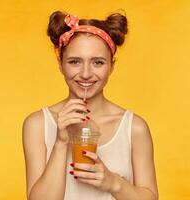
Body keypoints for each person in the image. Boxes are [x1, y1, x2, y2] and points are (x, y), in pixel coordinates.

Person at [22, 10, 158, 200]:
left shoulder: (134, 127)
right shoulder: (37, 124)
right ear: (60, 64)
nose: (86, 74)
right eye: (75, 61)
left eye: (98, 62)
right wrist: (61, 142)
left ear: (112, 65)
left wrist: (113, 183)